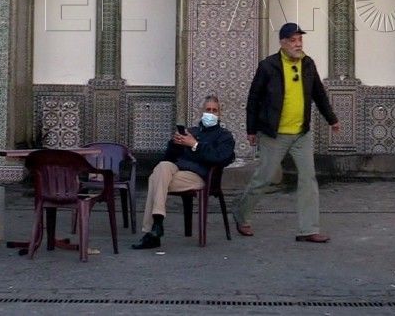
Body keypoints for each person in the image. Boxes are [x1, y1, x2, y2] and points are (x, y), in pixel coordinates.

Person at [234, 22, 340, 243]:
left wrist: (332, 119)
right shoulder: (268, 66)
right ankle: (242, 214)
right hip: (274, 134)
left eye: (300, 40)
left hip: (301, 134)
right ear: (282, 43)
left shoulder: (308, 64)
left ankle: (308, 229)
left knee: (308, 178)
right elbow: (253, 99)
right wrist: (251, 129)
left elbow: (319, 94)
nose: (298, 44)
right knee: (264, 178)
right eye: (293, 40)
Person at [131, 95, 235, 250]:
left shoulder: (224, 136)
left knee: (155, 179)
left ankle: (153, 231)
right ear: (202, 111)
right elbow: (168, 158)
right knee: (162, 168)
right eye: (208, 110)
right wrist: (175, 144)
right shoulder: (190, 132)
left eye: (214, 110)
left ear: (219, 114)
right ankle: (157, 225)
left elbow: (220, 158)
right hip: (176, 170)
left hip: (199, 175)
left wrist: (195, 145)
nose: (211, 113)